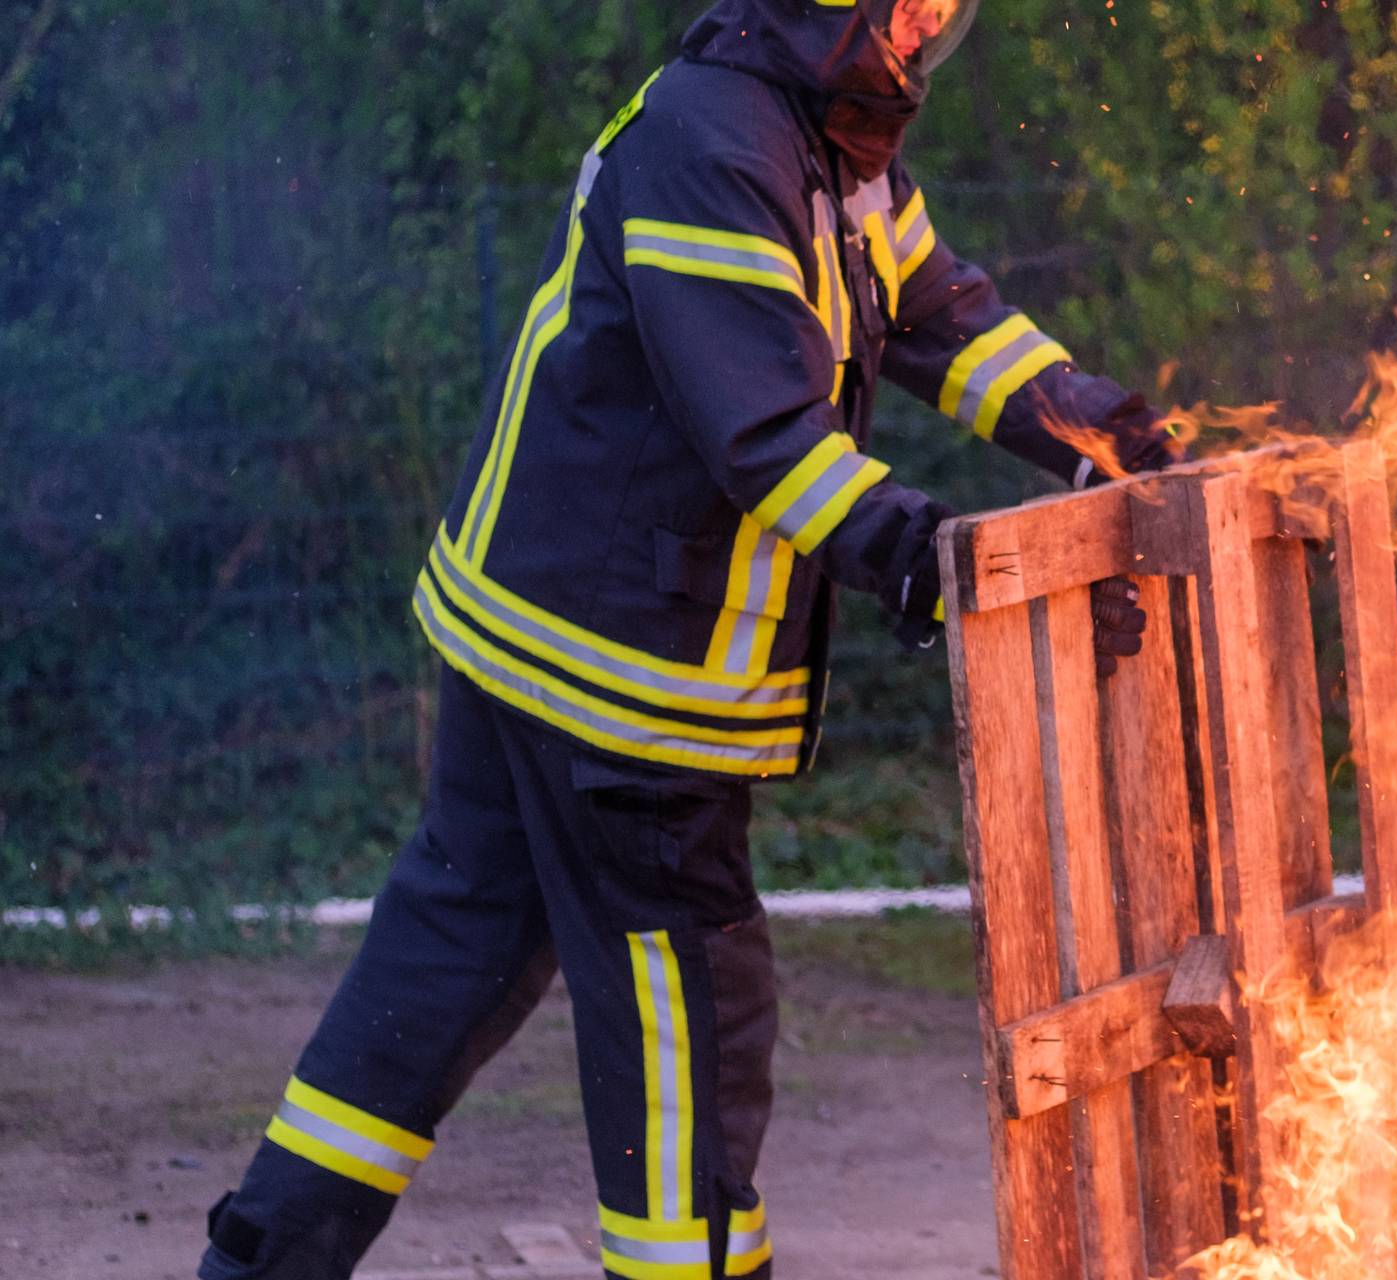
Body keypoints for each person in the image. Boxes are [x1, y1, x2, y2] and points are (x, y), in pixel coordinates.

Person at [197, 2, 1173, 1276]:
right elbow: (763, 431)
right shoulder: (715, 147)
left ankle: (266, 1255)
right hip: (619, 679)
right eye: (915, 0)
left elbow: (942, 318)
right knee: (686, 1021)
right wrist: (927, 559)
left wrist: (1100, 426)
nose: (933, 21)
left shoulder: (824, 144)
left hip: (536, 639)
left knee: (445, 963)